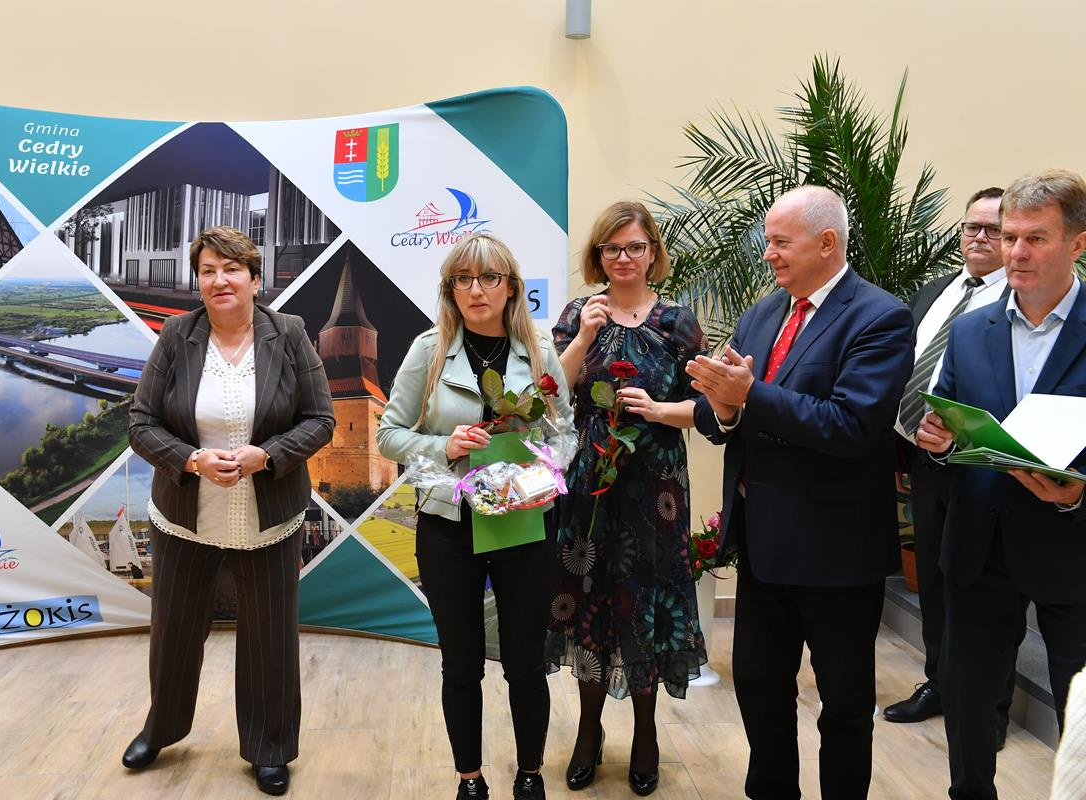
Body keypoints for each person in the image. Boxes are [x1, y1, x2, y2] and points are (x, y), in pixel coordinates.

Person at [686, 186, 914, 799]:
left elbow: (851, 426)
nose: (768, 254)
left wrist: (747, 396)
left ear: (827, 242)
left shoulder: (880, 317)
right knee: (760, 691)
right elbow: (721, 415)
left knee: (844, 705)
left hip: (838, 553)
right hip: (764, 546)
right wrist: (723, 407)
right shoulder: (764, 313)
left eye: (780, 242)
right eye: (768, 241)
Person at [124, 226, 335, 796]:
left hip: (268, 516)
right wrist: (192, 460)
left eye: (232, 269)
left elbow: (321, 420)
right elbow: (140, 424)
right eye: (208, 271)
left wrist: (268, 455)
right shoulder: (177, 335)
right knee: (173, 633)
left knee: (270, 638)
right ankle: (160, 729)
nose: (220, 280)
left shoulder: (290, 334)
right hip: (184, 515)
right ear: (198, 282)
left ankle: (270, 748)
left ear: (255, 279)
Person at [377, 233, 574, 800]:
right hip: (448, 523)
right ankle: (470, 779)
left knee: (525, 663)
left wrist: (539, 466)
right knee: (460, 665)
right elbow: (389, 434)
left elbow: (564, 432)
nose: (476, 290)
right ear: (451, 290)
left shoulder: (538, 349)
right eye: (462, 279)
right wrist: (445, 446)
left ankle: (530, 774)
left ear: (511, 287)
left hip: (523, 520)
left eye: (489, 278)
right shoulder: (429, 350)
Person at [915, 169, 1086, 800]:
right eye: (1010, 236)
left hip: (1073, 550)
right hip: (979, 547)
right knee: (968, 702)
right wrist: (939, 439)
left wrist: (1081, 492)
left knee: (1080, 714)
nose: (1015, 252)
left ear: (1078, 243)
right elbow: (951, 416)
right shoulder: (969, 330)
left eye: (1035, 238)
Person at [545, 200, 709, 797]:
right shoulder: (578, 313)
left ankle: (646, 733)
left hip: (655, 487)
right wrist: (587, 334)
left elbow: (708, 407)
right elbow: (551, 392)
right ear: (599, 255)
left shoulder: (677, 322)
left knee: (646, 602)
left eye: (635, 247)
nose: (623, 258)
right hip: (590, 482)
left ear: (652, 253)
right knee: (590, 599)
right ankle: (588, 731)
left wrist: (658, 410)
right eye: (612, 248)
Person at [885, 187, 1018, 749]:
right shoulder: (936, 291)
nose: (980, 237)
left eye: (993, 229)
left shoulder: (1019, 300)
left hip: (982, 463)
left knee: (991, 590)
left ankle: (991, 709)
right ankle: (940, 683)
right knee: (935, 578)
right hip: (924, 456)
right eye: (971, 227)